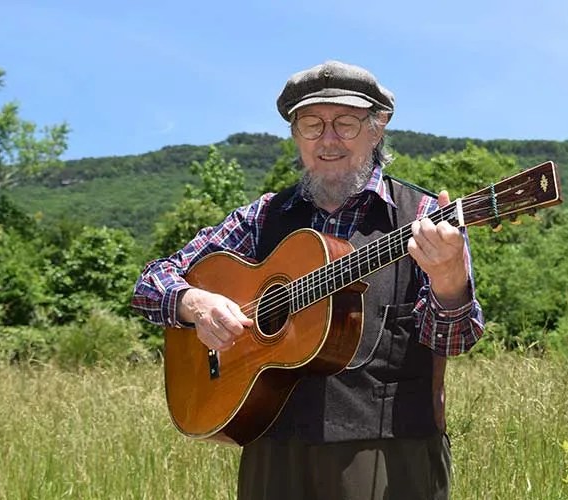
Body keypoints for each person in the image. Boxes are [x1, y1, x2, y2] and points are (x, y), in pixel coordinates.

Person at [131, 60, 484, 500]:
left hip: (392, 453)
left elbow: (457, 339)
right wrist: (194, 303)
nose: (328, 139)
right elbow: (151, 283)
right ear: (296, 136)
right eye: (312, 125)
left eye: (346, 123)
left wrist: (450, 281)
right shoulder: (262, 217)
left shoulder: (424, 215)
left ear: (378, 128)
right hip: (272, 449)